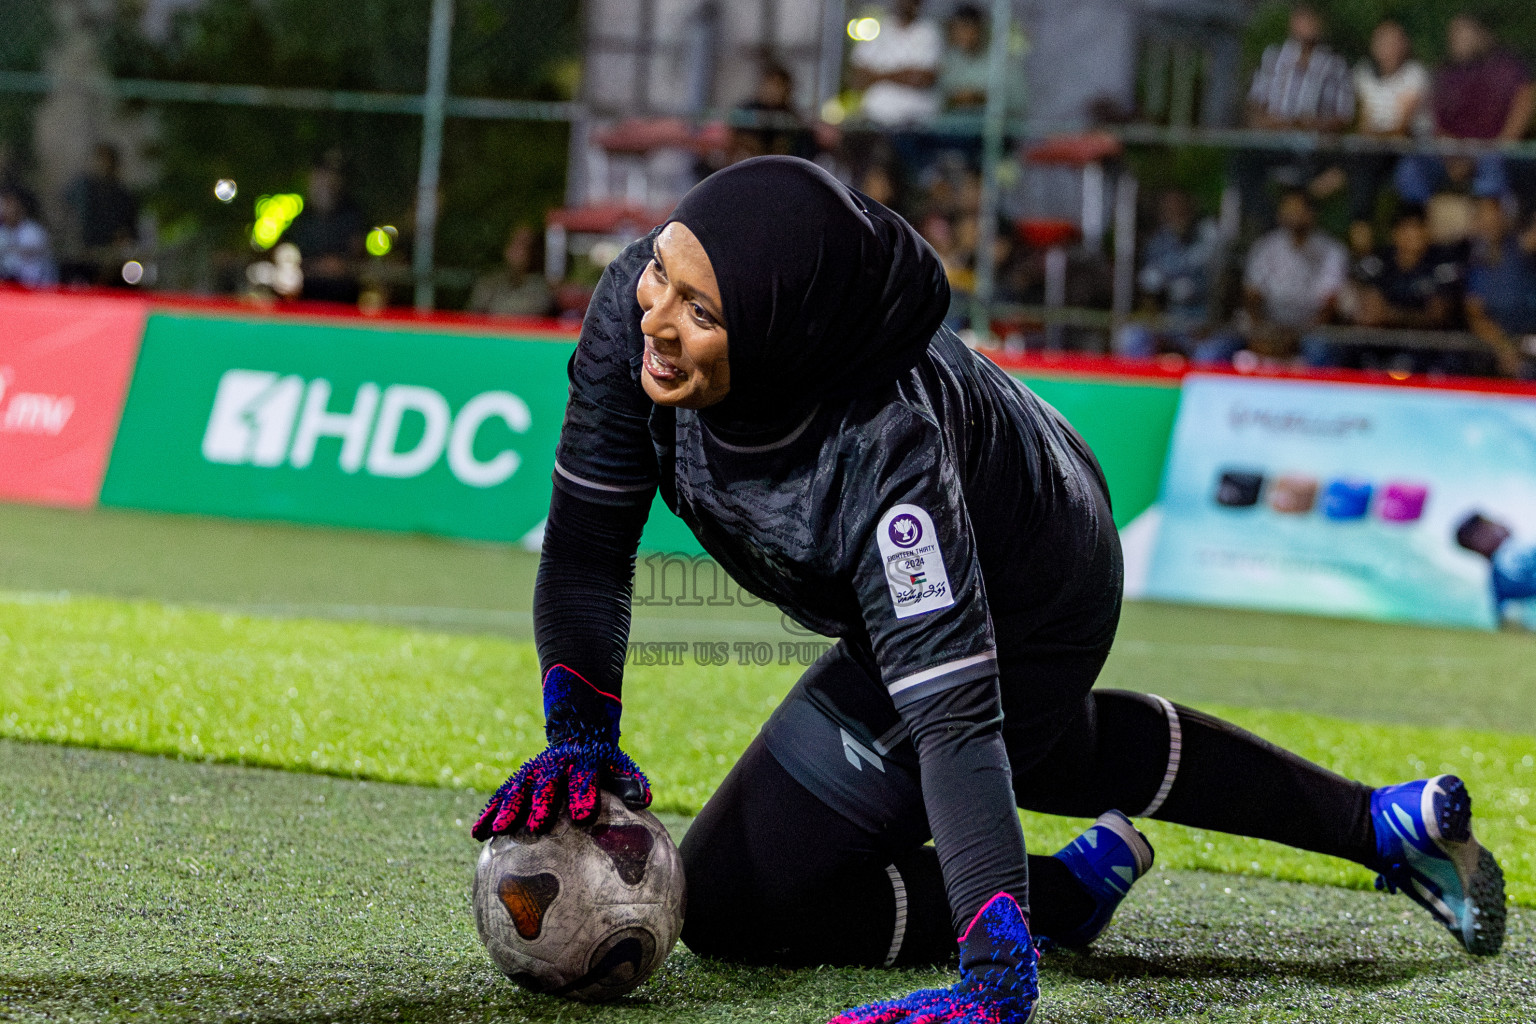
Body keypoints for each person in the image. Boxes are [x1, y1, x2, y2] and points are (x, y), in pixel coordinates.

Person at [468, 157, 1506, 1022]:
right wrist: (579, 733)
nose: (656, 312)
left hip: (1039, 580)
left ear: (780, 331)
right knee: (1050, 748)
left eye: (699, 307)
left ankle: (1045, 905)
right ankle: (1382, 824)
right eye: (661, 271)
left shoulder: (885, 463)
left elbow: (957, 724)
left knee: (752, 895)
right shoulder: (628, 317)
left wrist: (993, 971)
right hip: (1006, 480)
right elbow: (588, 548)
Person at [1233, 5, 1354, 233]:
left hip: (1312, 146)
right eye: (1302, 18)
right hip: (1273, 142)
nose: (1306, 25)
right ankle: (1268, 225)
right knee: (1242, 161)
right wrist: (1266, 121)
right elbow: (1255, 103)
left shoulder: (1334, 65)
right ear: (1293, 22)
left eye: (1311, 19)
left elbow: (1343, 115)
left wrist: (1305, 123)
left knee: (1328, 176)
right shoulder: (1273, 58)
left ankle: (1300, 224)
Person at [1305, 206, 1466, 373]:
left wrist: (1390, 314)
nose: (1412, 235)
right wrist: (1366, 307)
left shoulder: (1442, 263)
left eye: (1417, 227)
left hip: (1426, 348)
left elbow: (1438, 316)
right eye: (1406, 229)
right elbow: (1366, 305)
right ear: (1395, 233)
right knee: (1336, 349)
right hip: (1379, 344)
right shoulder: (1379, 261)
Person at [1395, 15, 1534, 207]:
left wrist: (1494, 148)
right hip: (1453, 153)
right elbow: (1438, 126)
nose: (1456, 38)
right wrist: (1454, 158)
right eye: (1453, 33)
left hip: (1494, 152)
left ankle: (1488, 225)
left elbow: (1525, 101)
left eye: (1463, 32)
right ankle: (1416, 223)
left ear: (1483, 35)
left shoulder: (1507, 68)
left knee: (1494, 166)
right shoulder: (1446, 74)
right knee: (1410, 169)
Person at [1117, 189, 1238, 364]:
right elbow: (1148, 296)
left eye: (1180, 207)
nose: (1175, 212)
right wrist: (1157, 325)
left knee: (1210, 353)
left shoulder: (1212, 239)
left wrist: (1212, 326)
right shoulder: (1157, 245)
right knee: (1132, 336)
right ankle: (1139, 388)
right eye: (1169, 208)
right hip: (1169, 324)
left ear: (1191, 208)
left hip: (1208, 325)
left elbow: (1229, 291)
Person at [1347, 21, 1429, 249]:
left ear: (1404, 46)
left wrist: (1377, 133)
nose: (1388, 48)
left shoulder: (1415, 74)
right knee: (1358, 170)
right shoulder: (1363, 73)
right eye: (1383, 42)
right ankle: (1363, 249)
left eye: (1394, 42)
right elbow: (1363, 123)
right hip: (1375, 152)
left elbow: (1403, 129)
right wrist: (1377, 133)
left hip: (1409, 151)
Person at [1243, 189, 1348, 361]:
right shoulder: (1266, 247)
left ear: (1311, 214)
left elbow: (1330, 305)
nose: (1293, 215)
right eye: (1288, 210)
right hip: (1269, 326)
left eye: (1298, 210)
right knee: (1218, 350)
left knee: (1320, 351)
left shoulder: (1331, 250)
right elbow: (1252, 296)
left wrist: (1295, 338)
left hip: (1311, 329)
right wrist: (1260, 331)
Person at [1464, 196, 1536, 378]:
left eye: (1495, 216)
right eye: (1484, 216)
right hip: (1495, 346)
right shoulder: (1474, 260)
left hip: (1529, 337)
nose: (1490, 222)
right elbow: (1475, 313)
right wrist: (1504, 347)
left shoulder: (1520, 246)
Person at [850, 0, 942, 128]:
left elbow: (922, 79)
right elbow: (857, 78)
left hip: (915, 125)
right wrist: (904, 73)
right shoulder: (878, 28)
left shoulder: (929, 32)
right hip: (873, 121)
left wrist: (877, 75)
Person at [286, 161, 366, 305]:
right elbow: (287, 256)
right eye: (316, 180)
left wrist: (338, 266)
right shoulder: (302, 219)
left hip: (344, 302)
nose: (321, 185)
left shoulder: (351, 215)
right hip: (306, 301)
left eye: (326, 179)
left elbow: (354, 260)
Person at [61, 143, 140, 286]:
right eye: (100, 160)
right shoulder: (84, 191)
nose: (103, 166)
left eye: (107, 161)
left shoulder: (122, 195)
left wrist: (120, 244)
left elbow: (129, 232)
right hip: (86, 256)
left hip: (114, 259)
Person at [936, 4, 1023, 116]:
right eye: (959, 29)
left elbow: (1018, 103)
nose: (964, 35)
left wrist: (981, 98)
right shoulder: (948, 61)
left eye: (969, 28)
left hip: (992, 128)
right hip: (951, 128)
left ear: (980, 29)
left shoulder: (1002, 61)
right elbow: (937, 99)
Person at [1456, 513, 1536, 628]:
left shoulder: (1497, 581)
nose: (1502, 522)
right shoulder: (1510, 554)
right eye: (1492, 524)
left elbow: (1507, 621)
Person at [469, 225, 555, 318]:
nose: (514, 250)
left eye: (523, 244)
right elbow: (472, 316)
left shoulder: (543, 287)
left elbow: (513, 315)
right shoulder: (490, 281)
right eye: (513, 242)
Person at [0, 187, 56, 288]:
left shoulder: (33, 231)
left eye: (9, 205)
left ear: (20, 208)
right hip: (9, 286)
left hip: (36, 288)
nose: (5, 210)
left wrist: (11, 249)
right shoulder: (2, 231)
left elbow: (31, 251)